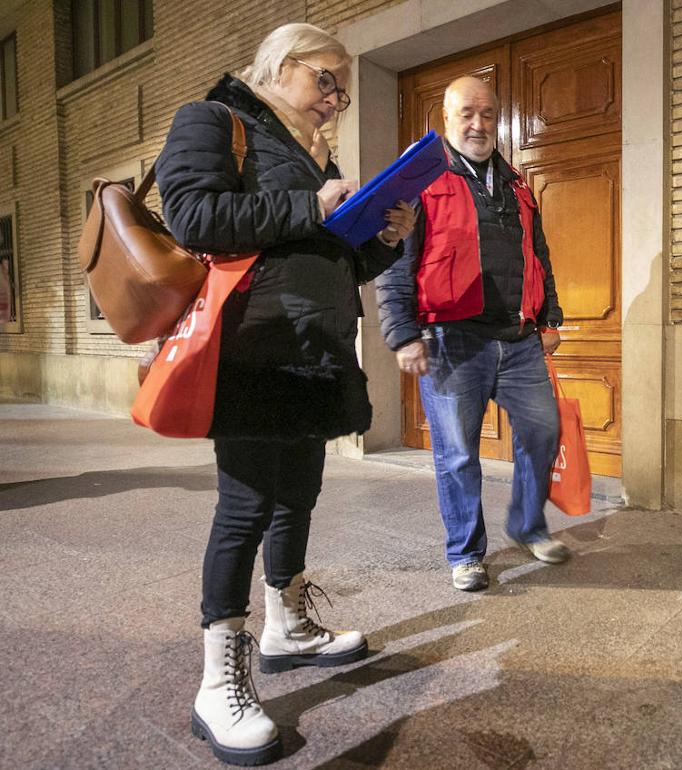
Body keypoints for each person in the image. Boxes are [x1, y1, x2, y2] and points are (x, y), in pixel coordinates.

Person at [155, 23, 415, 766]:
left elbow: (326, 261)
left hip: (316, 352)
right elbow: (194, 216)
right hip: (251, 350)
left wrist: (380, 240)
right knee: (244, 510)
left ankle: (287, 627)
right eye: (325, 79)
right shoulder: (215, 120)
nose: (335, 98)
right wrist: (312, 205)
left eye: (342, 86)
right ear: (281, 63)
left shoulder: (314, 152)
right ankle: (218, 683)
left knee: (298, 494)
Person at [375, 76, 568, 593]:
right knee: (458, 452)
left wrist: (550, 317)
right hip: (450, 341)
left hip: (519, 338)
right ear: (445, 119)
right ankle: (465, 552)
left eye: (486, 114)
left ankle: (527, 525)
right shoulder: (417, 183)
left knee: (543, 431)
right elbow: (394, 261)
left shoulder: (518, 184)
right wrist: (401, 334)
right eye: (467, 114)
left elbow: (538, 255)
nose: (478, 124)